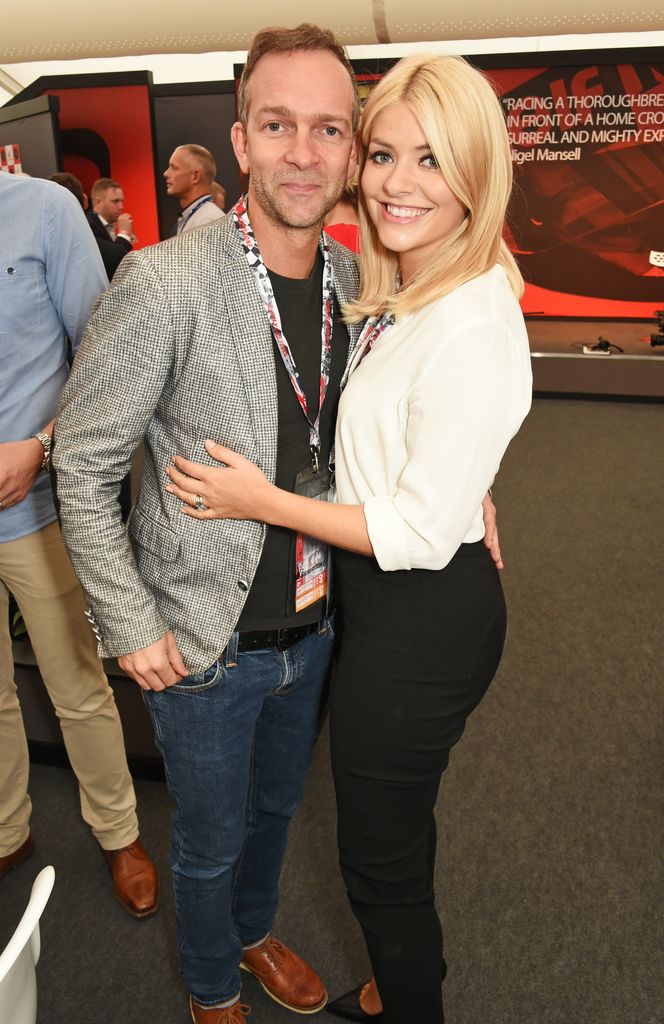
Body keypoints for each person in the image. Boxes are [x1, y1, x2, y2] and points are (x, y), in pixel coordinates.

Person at [162, 53, 532, 1024]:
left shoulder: (468, 315)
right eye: (382, 153)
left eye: (430, 160)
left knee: (376, 863)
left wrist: (259, 498)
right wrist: (471, 483)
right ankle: (406, 975)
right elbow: (427, 438)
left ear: (476, 176)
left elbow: (411, 527)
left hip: (418, 615)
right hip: (393, 601)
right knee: (397, 836)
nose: (396, 182)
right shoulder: (419, 278)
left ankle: (411, 996)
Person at [53, 24, 362, 1024]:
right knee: (208, 837)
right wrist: (130, 626)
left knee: (275, 816)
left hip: (313, 631)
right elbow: (85, 459)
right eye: (278, 125)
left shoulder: (355, 285)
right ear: (240, 140)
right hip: (201, 647)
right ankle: (210, 982)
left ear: (351, 149)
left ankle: (253, 929)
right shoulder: (167, 280)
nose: (302, 152)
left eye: (327, 129)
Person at [0, 171, 158, 918]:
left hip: (33, 510)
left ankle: (119, 833)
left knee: (77, 684)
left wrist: (40, 442)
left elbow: (105, 360)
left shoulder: (44, 211)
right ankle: (7, 831)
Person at [164, 144, 225, 234]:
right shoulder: (199, 217)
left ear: (195, 176)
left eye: (174, 168)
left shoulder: (207, 221)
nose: (166, 173)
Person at [87, 177, 134, 279]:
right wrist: (124, 234)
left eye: (121, 201)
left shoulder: (107, 223)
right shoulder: (89, 227)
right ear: (98, 202)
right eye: (115, 201)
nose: (121, 207)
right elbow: (115, 263)